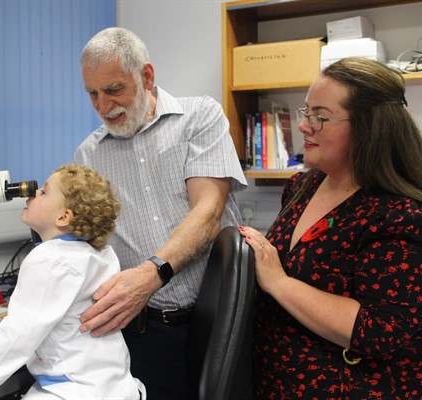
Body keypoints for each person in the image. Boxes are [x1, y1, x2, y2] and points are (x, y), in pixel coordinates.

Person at [74, 27, 247, 399]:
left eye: (114, 89)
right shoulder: (89, 154)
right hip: (145, 332)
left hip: (219, 320)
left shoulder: (199, 117)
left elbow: (208, 210)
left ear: (147, 77)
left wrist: (152, 275)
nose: (104, 107)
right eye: (93, 94)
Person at [239, 57, 422, 399]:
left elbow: (379, 329)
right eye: (306, 113)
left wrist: (280, 283)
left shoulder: (397, 215)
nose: (305, 126)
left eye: (320, 117)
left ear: (368, 127)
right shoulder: (302, 187)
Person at [0, 164, 145, 400]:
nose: (32, 194)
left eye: (43, 192)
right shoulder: (98, 254)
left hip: (74, 389)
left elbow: (23, 327)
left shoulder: (50, 259)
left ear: (63, 217)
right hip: (115, 386)